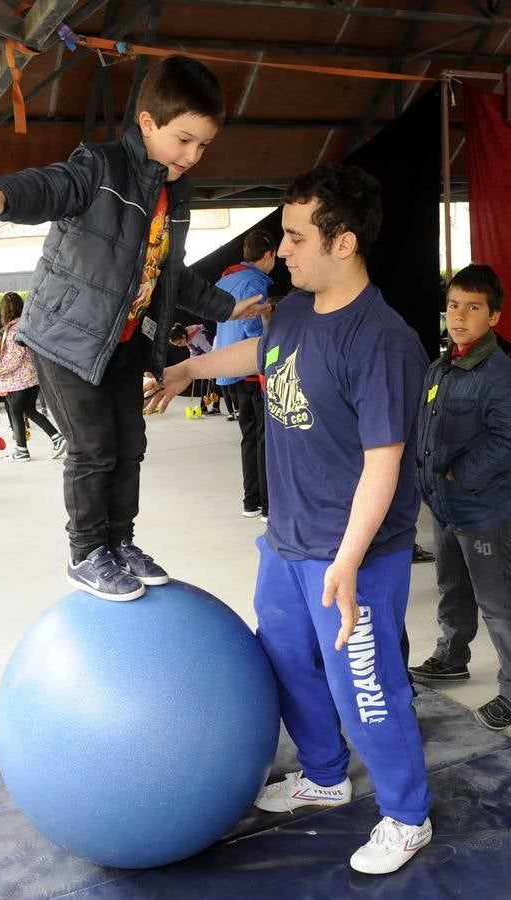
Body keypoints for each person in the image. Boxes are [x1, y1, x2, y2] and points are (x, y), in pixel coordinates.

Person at [144, 164, 432, 875]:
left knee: (365, 690)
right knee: (289, 665)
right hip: (289, 542)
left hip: (353, 554)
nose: (284, 251)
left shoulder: (383, 341)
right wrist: (190, 371)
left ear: (346, 243)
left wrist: (347, 562)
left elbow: (383, 464)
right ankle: (325, 776)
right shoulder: (297, 310)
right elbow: (263, 356)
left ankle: (407, 815)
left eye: (297, 238)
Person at [0, 56, 266, 601]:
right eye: (184, 140)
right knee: (94, 446)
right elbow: (52, 185)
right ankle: (86, 553)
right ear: (147, 124)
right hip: (65, 339)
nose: (192, 156)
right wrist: (3, 196)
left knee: (130, 444)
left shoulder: (175, 195)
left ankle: (119, 543)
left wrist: (225, 308)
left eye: (203, 146)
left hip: (121, 341)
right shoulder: (101, 167)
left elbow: (169, 277)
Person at [409, 264, 511, 732]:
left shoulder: (498, 371)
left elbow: (506, 438)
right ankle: (453, 656)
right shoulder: (442, 365)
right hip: (445, 507)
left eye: (473, 307)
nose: (459, 316)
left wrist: (458, 472)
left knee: (497, 602)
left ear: (493, 316)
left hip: (483, 508)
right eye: (453, 305)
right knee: (453, 585)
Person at [214, 228, 276, 520]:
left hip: (230, 370)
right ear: (267, 255)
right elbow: (255, 331)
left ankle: (250, 502)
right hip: (253, 369)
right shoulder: (255, 282)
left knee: (249, 437)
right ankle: (268, 507)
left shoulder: (225, 279)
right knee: (266, 439)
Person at [0, 292, 67, 461]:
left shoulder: (12, 330)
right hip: (33, 377)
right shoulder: (27, 325)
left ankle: (21, 450)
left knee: (16, 414)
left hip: (18, 381)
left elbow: (13, 360)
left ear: (4, 311)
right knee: (30, 410)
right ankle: (57, 438)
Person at [169, 322, 220, 414]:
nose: (179, 346)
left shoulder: (198, 337)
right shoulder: (188, 338)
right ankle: (203, 406)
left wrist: (208, 367)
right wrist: (191, 366)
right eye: (177, 345)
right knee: (203, 380)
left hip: (213, 354)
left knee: (213, 381)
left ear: (183, 336)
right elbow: (193, 352)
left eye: (179, 343)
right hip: (203, 357)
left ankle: (216, 407)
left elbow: (209, 350)